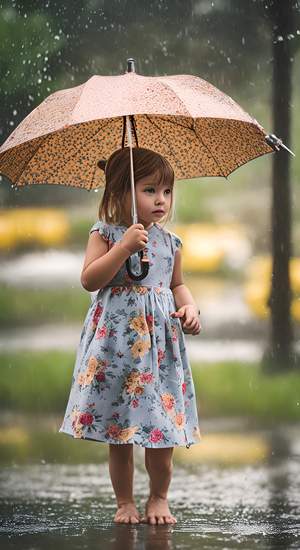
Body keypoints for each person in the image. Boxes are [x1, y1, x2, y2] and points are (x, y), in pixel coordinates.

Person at [59, 146, 202, 525]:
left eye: (167, 192)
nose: (161, 200)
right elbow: (90, 279)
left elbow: (178, 284)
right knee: (118, 432)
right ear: (121, 191)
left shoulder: (170, 243)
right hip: (117, 349)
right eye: (150, 189)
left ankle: (159, 497)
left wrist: (189, 307)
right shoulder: (104, 234)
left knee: (163, 431)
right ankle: (125, 502)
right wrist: (122, 247)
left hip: (158, 351)